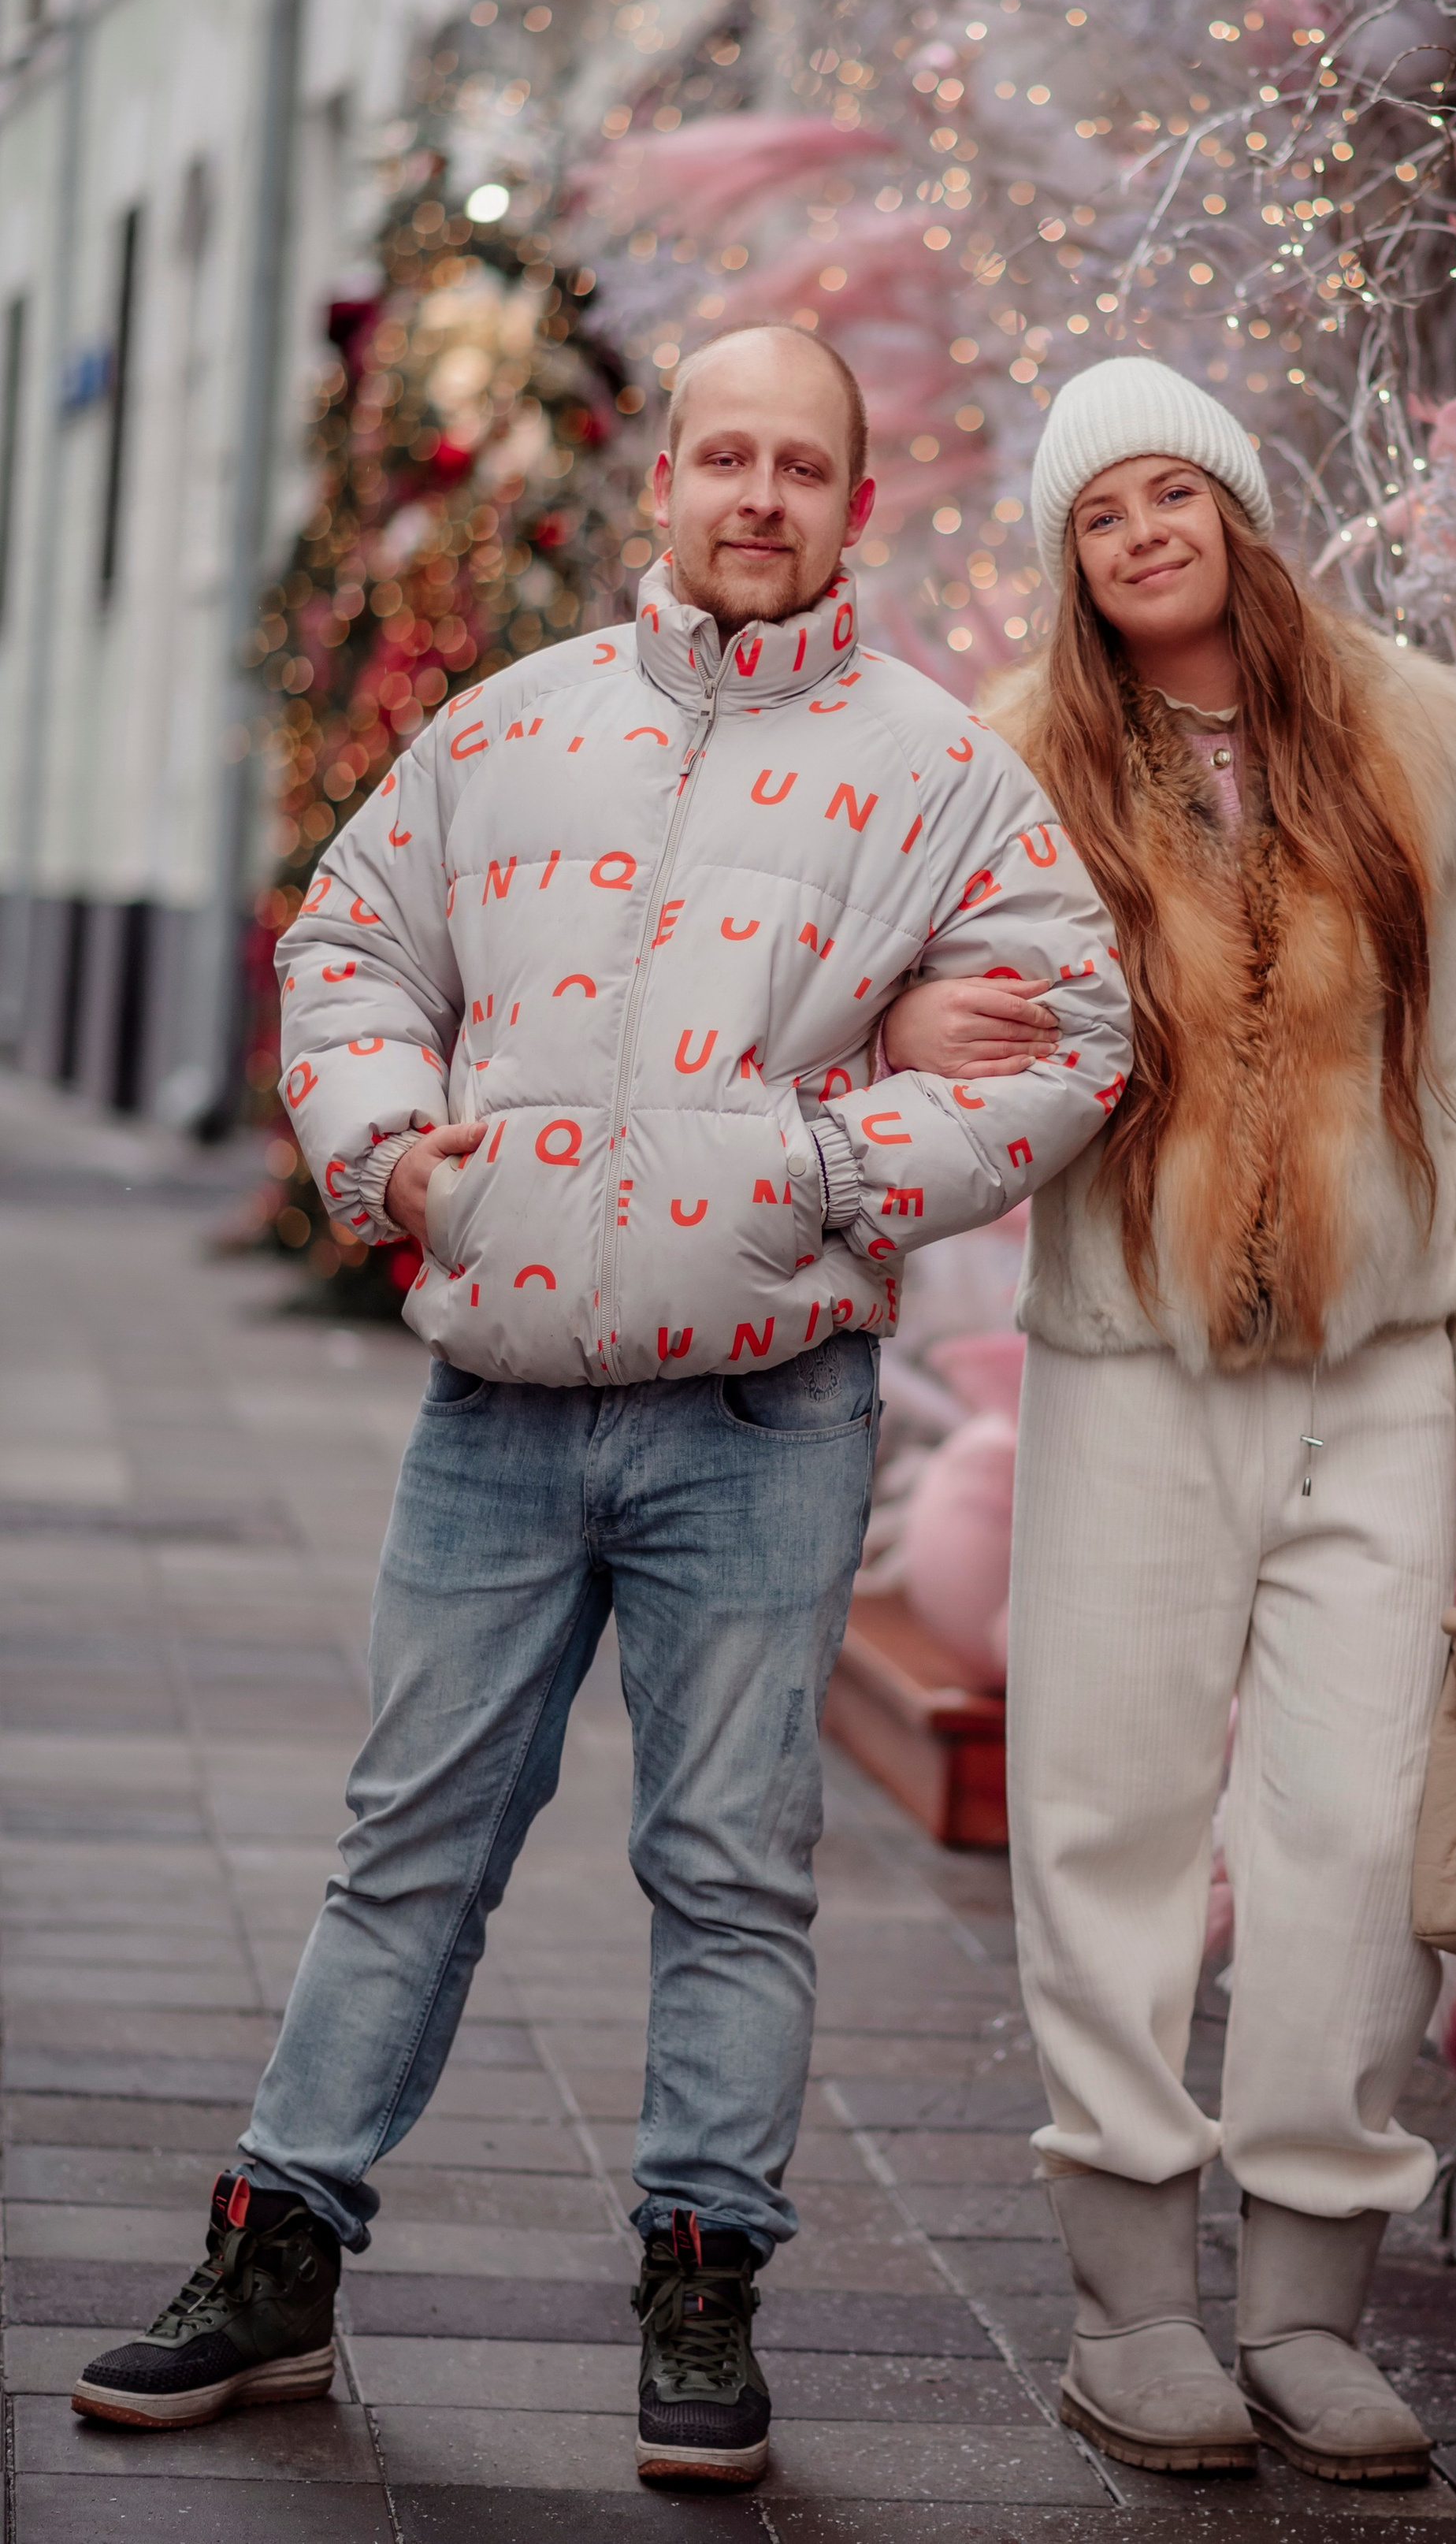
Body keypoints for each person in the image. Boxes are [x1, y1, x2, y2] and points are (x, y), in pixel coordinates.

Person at [70, 324, 1131, 2489]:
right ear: (660, 482)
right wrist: (391, 1155)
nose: (758, 495)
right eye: (723, 456)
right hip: (500, 1409)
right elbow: (351, 948)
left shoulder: (941, 769)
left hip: (765, 1419)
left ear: (854, 506)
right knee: (407, 1842)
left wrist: (824, 1165)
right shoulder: (509, 726)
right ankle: (275, 2259)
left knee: (730, 1866)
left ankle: (703, 2277)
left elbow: (1076, 1038)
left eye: (801, 467)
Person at [882, 356, 1456, 2487]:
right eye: (1100, 514)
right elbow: (932, 1002)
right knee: (1103, 1814)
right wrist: (925, 1025)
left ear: (1237, 512)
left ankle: (1306, 2311)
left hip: (1379, 1367)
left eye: (1172, 494)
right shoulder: (1018, 756)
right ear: (1071, 560)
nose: (1143, 534)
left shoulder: (1414, 729)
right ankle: (1132, 2304)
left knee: (1354, 1833)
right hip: (1133, 1358)